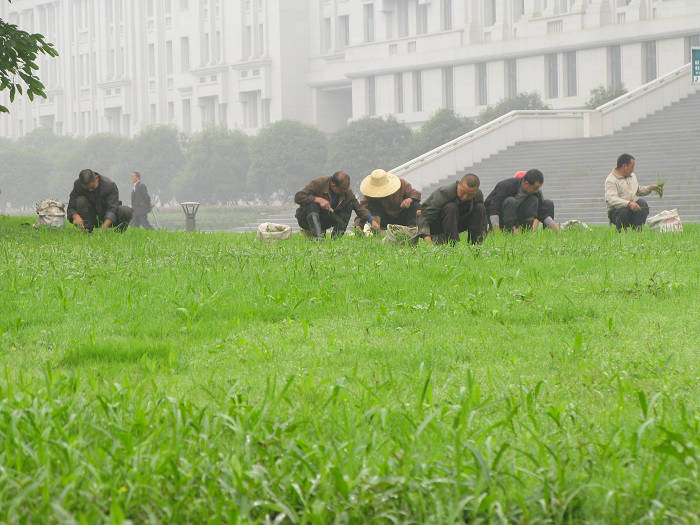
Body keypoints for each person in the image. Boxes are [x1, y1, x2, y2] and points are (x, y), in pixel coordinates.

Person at [294, 171, 379, 239]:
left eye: (346, 188)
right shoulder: (319, 183)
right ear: (333, 185)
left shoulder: (347, 192)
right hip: (307, 219)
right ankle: (318, 238)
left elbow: (358, 208)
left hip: (326, 219)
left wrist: (371, 220)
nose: (345, 191)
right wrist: (317, 200)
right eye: (343, 189)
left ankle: (336, 239)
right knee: (312, 205)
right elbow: (298, 197)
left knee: (348, 206)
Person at [416, 173, 486, 245]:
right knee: (451, 207)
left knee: (480, 207)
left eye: (470, 195)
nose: (465, 197)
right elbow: (424, 217)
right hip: (437, 224)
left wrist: (481, 236)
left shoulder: (478, 195)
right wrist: (428, 242)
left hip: (458, 222)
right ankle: (452, 244)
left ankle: (475, 245)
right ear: (458, 184)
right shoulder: (445, 193)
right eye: (463, 192)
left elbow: (482, 219)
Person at [485, 169, 559, 233]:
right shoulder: (506, 186)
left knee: (537, 201)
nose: (537, 190)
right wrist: (496, 230)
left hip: (517, 216)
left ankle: (527, 232)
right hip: (500, 217)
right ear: (526, 183)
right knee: (510, 201)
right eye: (535, 188)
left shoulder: (535, 192)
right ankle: (509, 232)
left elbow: (542, 211)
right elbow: (493, 209)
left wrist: (554, 226)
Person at [605, 153, 663, 231]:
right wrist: (628, 203)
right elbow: (611, 199)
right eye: (632, 167)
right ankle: (621, 232)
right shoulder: (611, 180)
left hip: (632, 207)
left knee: (642, 203)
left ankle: (637, 231)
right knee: (624, 211)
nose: (633, 169)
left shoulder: (632, 176)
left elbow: (638, 190)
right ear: (624, 166)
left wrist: (651, 188)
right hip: (617, 211)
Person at [67, 169, 132, 232]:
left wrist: (104, 227)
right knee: (80, 200)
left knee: (126, 211)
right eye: (87, 189)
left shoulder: (109, 185)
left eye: (92, 187)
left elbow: (112, 208)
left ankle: (118, 234)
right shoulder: (78, 185)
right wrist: (75, 216)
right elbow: (71, 205)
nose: (90, 190)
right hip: (90, 216)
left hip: (107, 216)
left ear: (97, 178)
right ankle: (86, 231)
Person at [354, 169, 421, 230]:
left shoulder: (401, 183)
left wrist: (409, 199)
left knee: (415, 205)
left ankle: (412, 229)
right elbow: (362, 209)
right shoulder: (370, 193)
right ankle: (377, 229)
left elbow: (415, 193)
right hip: (384, 221)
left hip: (402, 217)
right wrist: (358, 225)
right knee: (373, 205)